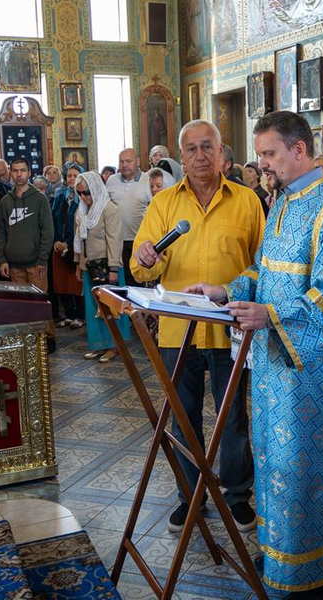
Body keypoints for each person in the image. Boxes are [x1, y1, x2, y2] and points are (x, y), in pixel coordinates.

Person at [184, 111, 323, 593]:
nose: (262, 165)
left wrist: (271, 316)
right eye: (259, 156)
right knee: (277, 462)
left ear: (300, 150)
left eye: (269, 154)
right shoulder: (281, 202)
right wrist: (225, 291)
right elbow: (263, 271)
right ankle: (284, 556)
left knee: (309, 464)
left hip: (318, 375)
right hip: (279, 367)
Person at [131, 119, 264, 534]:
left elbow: (264, 267)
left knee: (233, 418)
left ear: (223, 153)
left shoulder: (247, 202)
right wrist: (146, 258)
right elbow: (139, 266)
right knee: (182, 417)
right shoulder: (164, 204)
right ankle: (189, 497)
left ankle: (238, 495)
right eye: (191, 149)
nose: (200, 155)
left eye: (208, 147)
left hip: (230, 329)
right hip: (178, 331)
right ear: (181, 156)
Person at [0, 157, 57, 353]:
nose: (19, 174)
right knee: (20, 306)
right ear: (10, 173)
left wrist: (42, 259)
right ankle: (26, 339)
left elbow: (48, 231)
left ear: (29, 173)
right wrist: (3, 259)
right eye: (15, 171)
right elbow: (1, 232)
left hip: (35, 263)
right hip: (14, 263)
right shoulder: (5, 202)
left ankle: (48, 338)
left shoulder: (39, 199)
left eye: (22, 170)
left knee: (40, 303)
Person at [75, 171, 125, 362]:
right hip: (90, 267)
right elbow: (79, 242)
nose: (83, 197)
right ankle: (98, 345)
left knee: (110, 310)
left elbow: (114, 240)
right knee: (93, 310)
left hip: (107, 268)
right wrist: (79, 266)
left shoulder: (108, 209)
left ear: (95, 188)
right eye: (79, 193)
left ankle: (113, 346)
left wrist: (113, 269)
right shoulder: (82, 210)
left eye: (86, 192)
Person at [106, 149, 151, 288]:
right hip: (116, 241)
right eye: (121, 161)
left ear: (137, 161)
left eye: (129, 161)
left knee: (138, 282)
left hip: (139, 240)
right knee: (120, 283)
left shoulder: (147, 180)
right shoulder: (112, 181)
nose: (124, 165)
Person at [52, 164, 85, 329]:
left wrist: (69, 242)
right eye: (69, 176)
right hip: (59, 245)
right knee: (62, 281)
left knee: (75, 282)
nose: (72, 178)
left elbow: (82, 225)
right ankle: (69, 315)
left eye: (75, 175)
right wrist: (57, 240)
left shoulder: (84, 197)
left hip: (76, 245)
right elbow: (54, 219)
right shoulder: (59, 196)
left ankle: (80, 315)